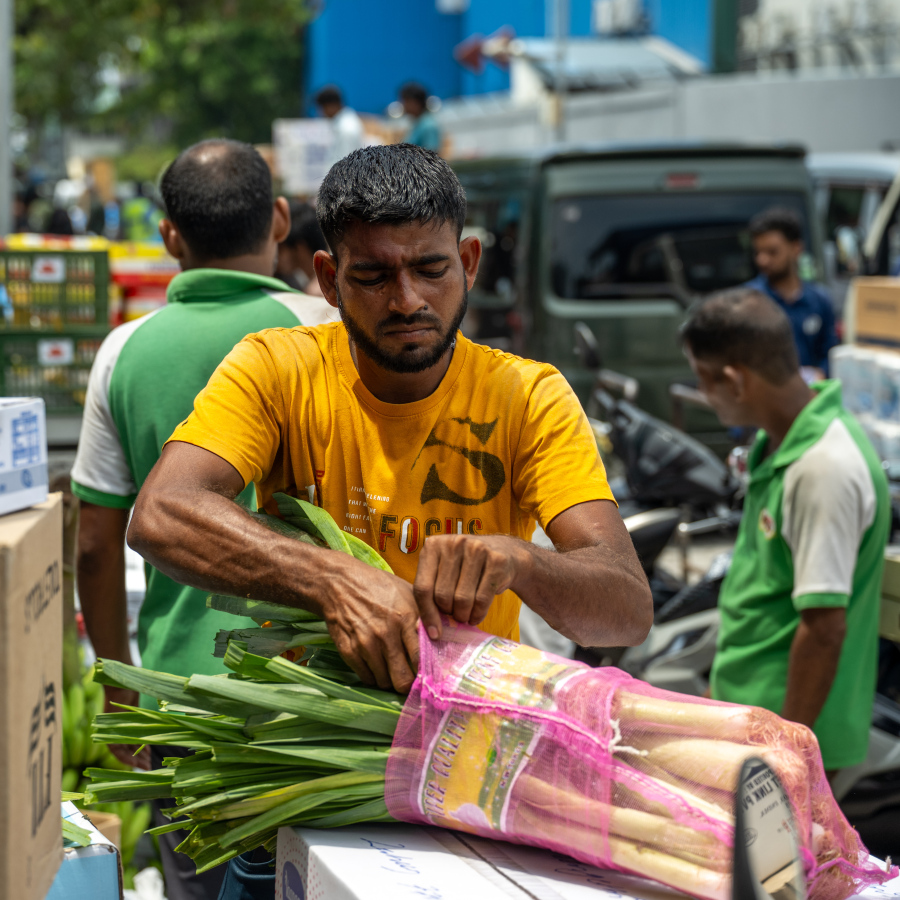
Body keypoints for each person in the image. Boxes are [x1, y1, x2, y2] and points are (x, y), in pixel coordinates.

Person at [128, 141, 652, 900]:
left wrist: (521, 560)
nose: (407, 300)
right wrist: (337, 580)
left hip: (464, 772)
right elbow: (163, 513)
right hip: (306, 774)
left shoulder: (527, 396)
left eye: (431, 269)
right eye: (373, 276)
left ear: (470, 262)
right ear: (329, 279)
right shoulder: (276, 368)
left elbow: (625, 608)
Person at [71, 139, 338, 900]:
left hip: (180, 699)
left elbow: (94, 543)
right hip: (320, 699)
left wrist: (119, 685)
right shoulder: (326, 329)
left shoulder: (125, 351)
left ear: (168, 236)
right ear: (281, 220)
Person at [682, 287, 890, 775]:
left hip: (786, 737)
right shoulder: (777, 446)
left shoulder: (824, 467)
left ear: (734, 381)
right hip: (749, 720)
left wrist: (786, 756)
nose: (704, 398)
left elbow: (823, 629)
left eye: (703, 382)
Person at [744, 207, 838, 378]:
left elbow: (831, 354)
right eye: (758, 252)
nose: (762, 260)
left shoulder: (819, 300)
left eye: (772, 252)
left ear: (796, 248)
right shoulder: (749, 302)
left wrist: (820, 374)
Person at [274, 199, 329, 296]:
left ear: (299, 248)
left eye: (280, 248)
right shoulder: (329, 280)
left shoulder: (316, 293)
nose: (276, 257)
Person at [314, 84, 365, 166]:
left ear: (332, 105)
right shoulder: (344, 122)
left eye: (322, 108)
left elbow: (346, 165)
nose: (321, 113)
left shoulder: (346, 128)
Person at [399, 82, 442, 153]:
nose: (403, 105)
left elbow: (430, 156)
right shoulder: (417, 122)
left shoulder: (429, 126)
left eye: (406, 101)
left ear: (415, 103)